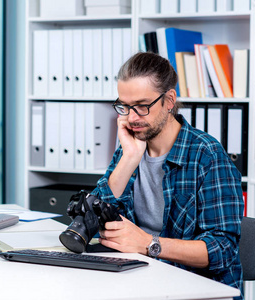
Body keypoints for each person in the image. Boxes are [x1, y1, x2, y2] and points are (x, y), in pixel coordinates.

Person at [91, 52, 244, 298]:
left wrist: (148, 243)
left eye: (142, 106)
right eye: (124, 106)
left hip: (195, 289)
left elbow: (222, 249)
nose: (131, 118)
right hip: (141, 283)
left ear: (169, 100)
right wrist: (129, 158)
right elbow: (94, 218)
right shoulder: (131, 146)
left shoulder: (207, 155)